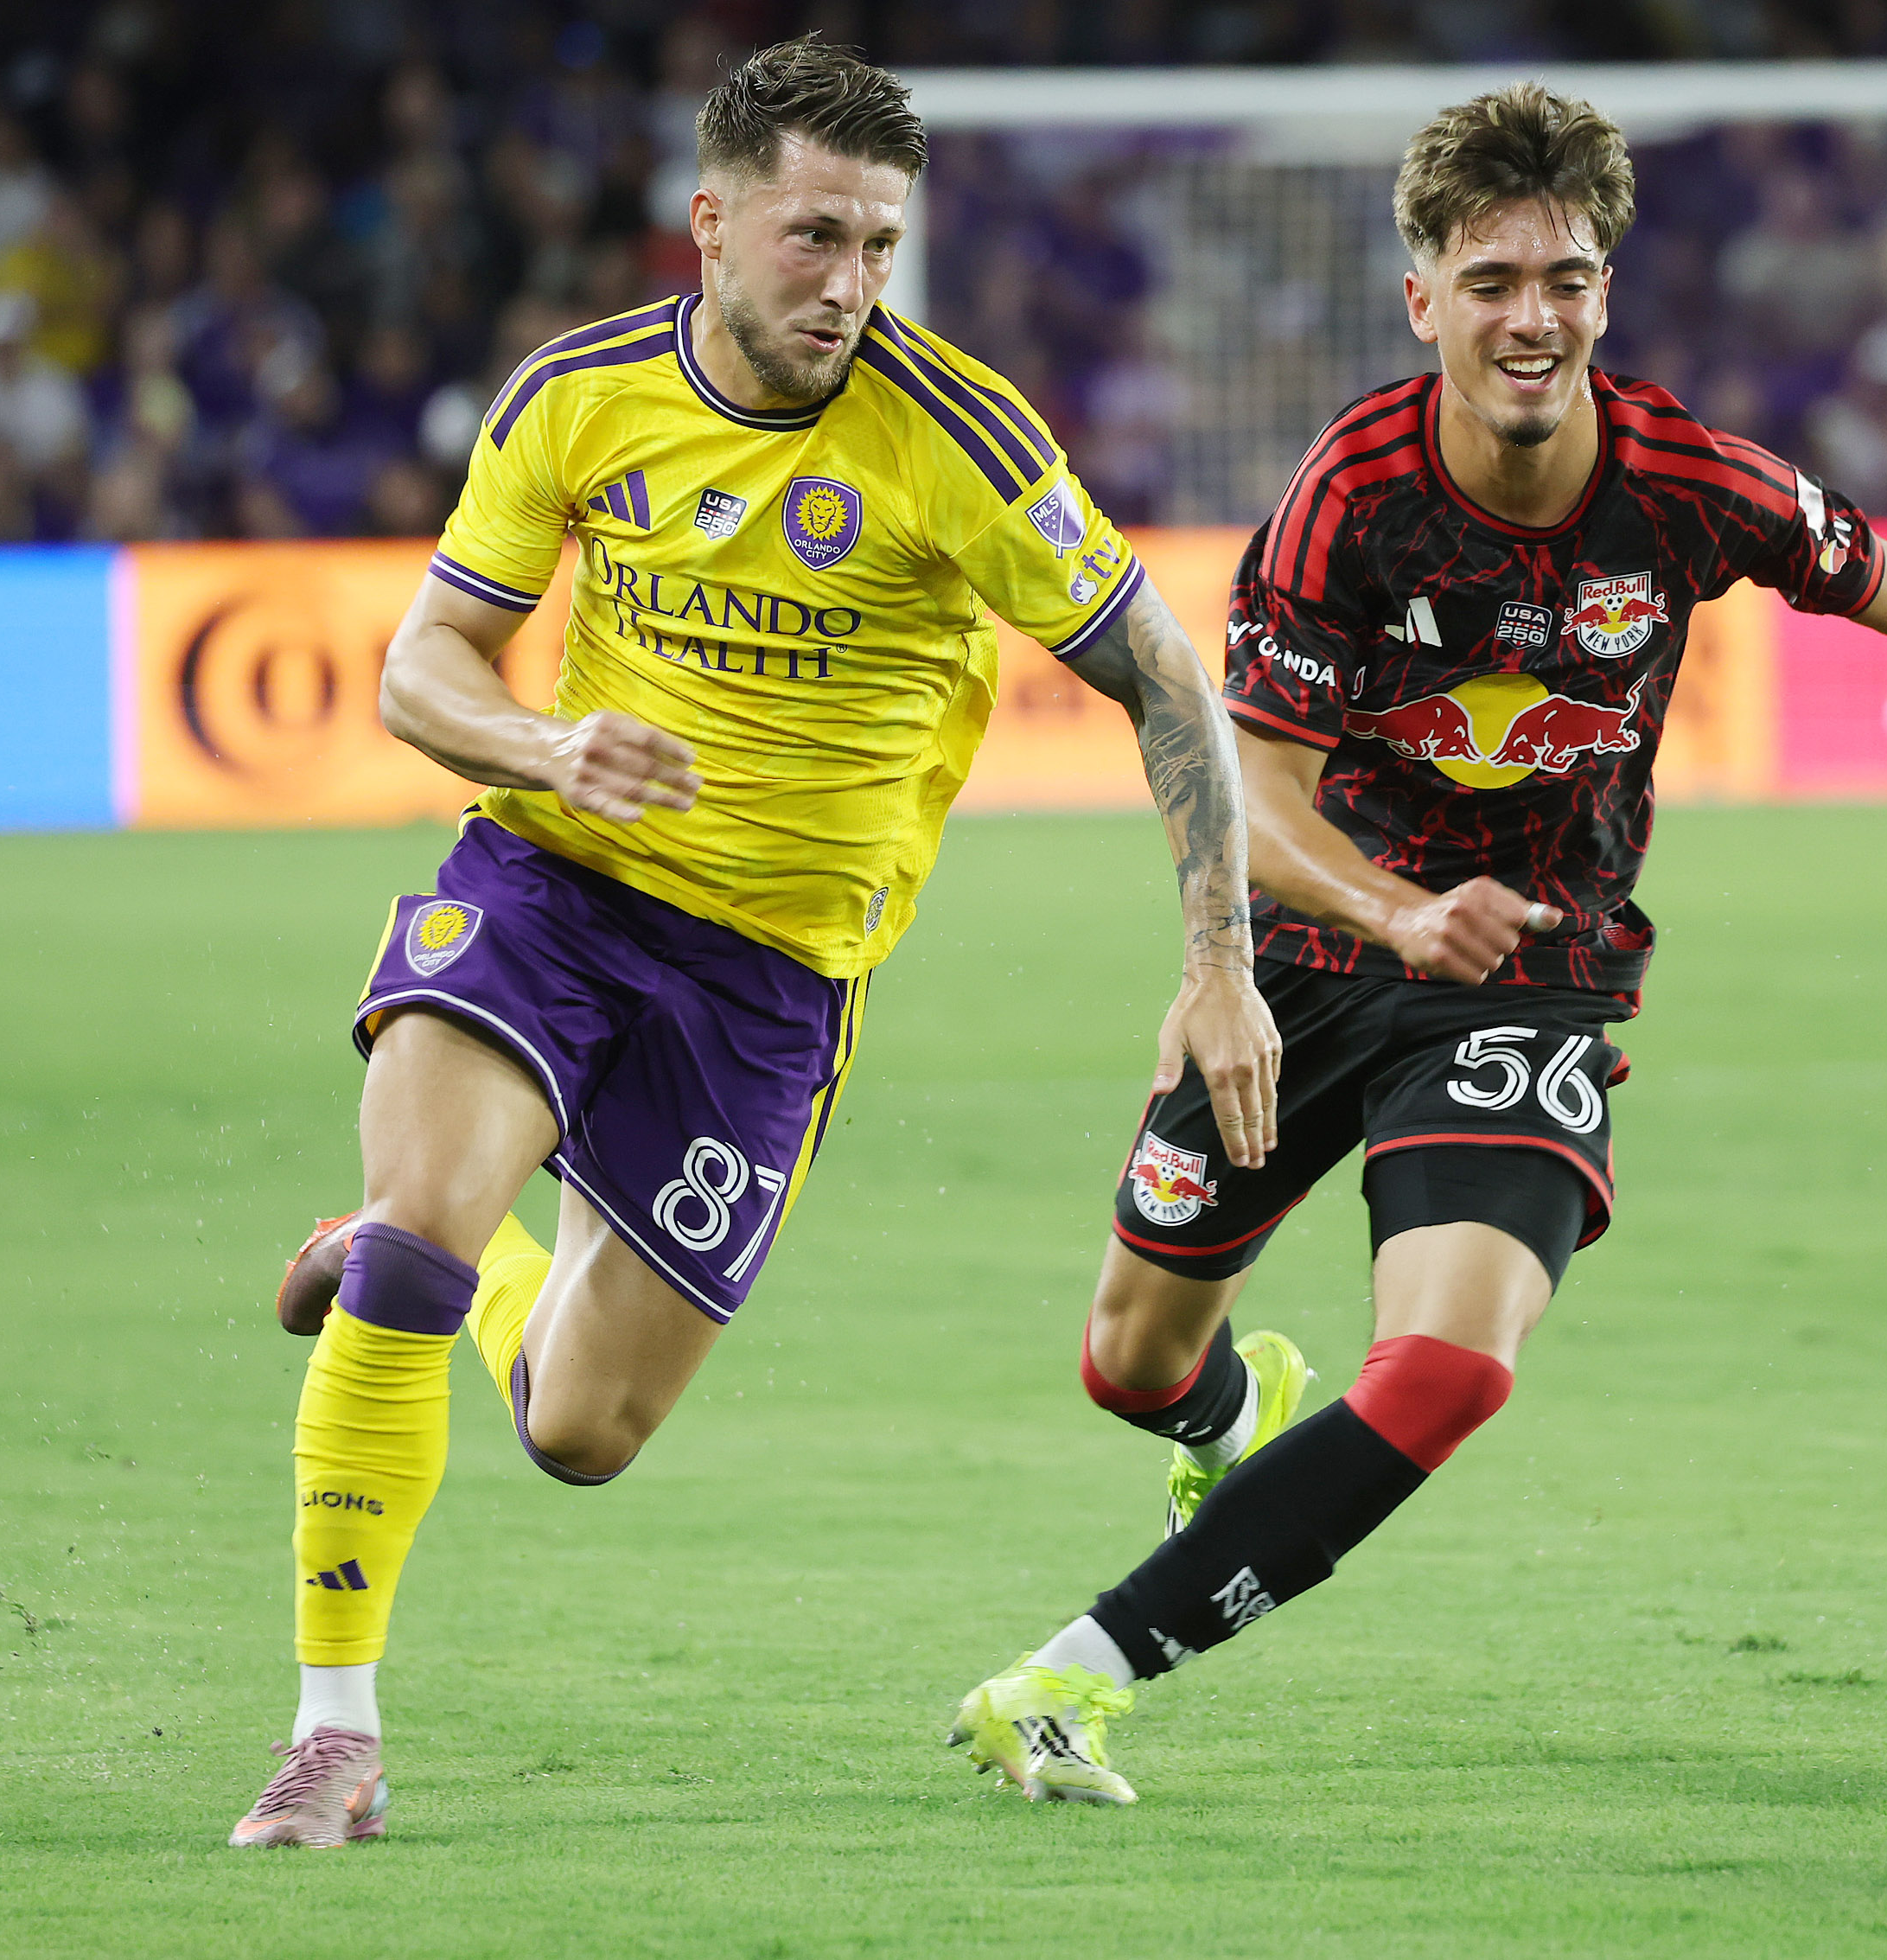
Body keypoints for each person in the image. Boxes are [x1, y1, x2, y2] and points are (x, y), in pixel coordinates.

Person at [947, 81, 1887, 1805]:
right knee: (1128, 1361)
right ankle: (1231, 1422)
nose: (1531, 318)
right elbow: (1251, 791)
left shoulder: (1685, 484)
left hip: (1533, 970)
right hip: (1322, 951)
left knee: (1449, 1372)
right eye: (1492, 282)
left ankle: (1068, 1681)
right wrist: (1310, 937)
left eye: (1566, 280)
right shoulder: (1348, 500)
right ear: (1424, 301)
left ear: (1607, 293)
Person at [227, 38, 1278, 1849]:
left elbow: (1166, 679)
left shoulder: (960, 440)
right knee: (413, 1244)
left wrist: (1218, 960)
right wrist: (549, 747)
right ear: (710, 224)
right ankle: (335, 1733)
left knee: (579, 1431)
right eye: (815, 238)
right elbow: (423, 666)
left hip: (772, 979)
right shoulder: (579, 396)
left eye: (879, 245)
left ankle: (459, 1260)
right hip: (551, 887)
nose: (852, 283)